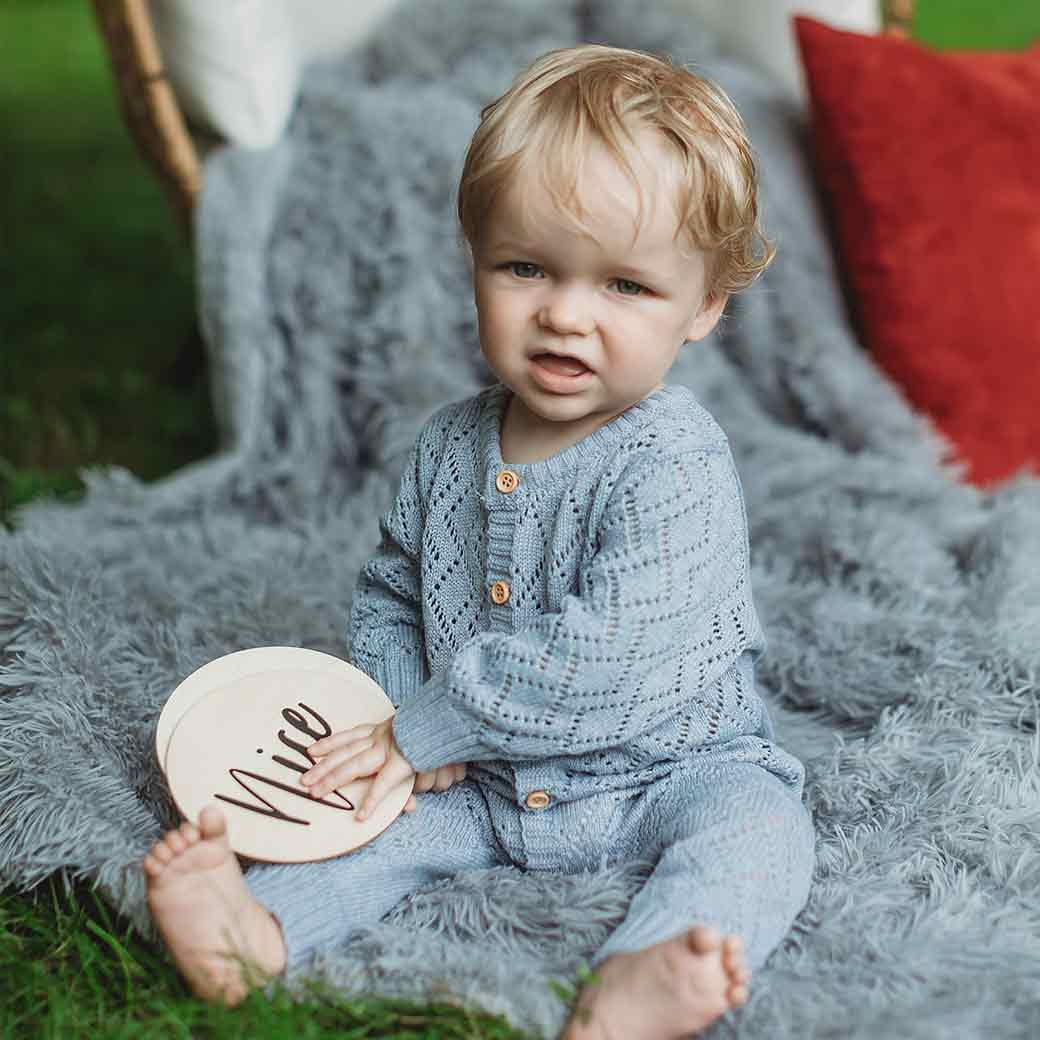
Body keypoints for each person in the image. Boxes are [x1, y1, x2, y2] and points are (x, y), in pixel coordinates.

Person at [143, 43, 816, 1039]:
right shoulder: (450, 442)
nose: (563, 314)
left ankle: (646, 973)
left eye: (624, 286)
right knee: (366, 828)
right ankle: (254, 931)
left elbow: (613, 650)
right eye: (524, 266)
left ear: (704, 305)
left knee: (761, 832)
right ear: (474, 260)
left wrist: (427, 727)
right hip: (484, 784)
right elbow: (389, 588)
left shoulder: (673, 456)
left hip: (666, 766)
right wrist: (399, 730)